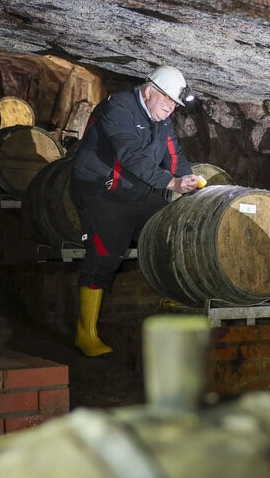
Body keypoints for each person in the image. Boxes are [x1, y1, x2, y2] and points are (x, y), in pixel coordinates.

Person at [70, 65, 205, 357]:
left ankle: (169, 297)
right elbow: (129, 155)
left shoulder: (162, 119)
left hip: (134, 191)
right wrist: (171, 182)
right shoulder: (119, 108)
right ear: (149, 91)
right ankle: (86, 333)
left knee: (167, 231)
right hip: (99, 190)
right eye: (167, 100)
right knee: (106, 253)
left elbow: (173, 153)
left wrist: (189, 179)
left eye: (174, 104)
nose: (170, 108)